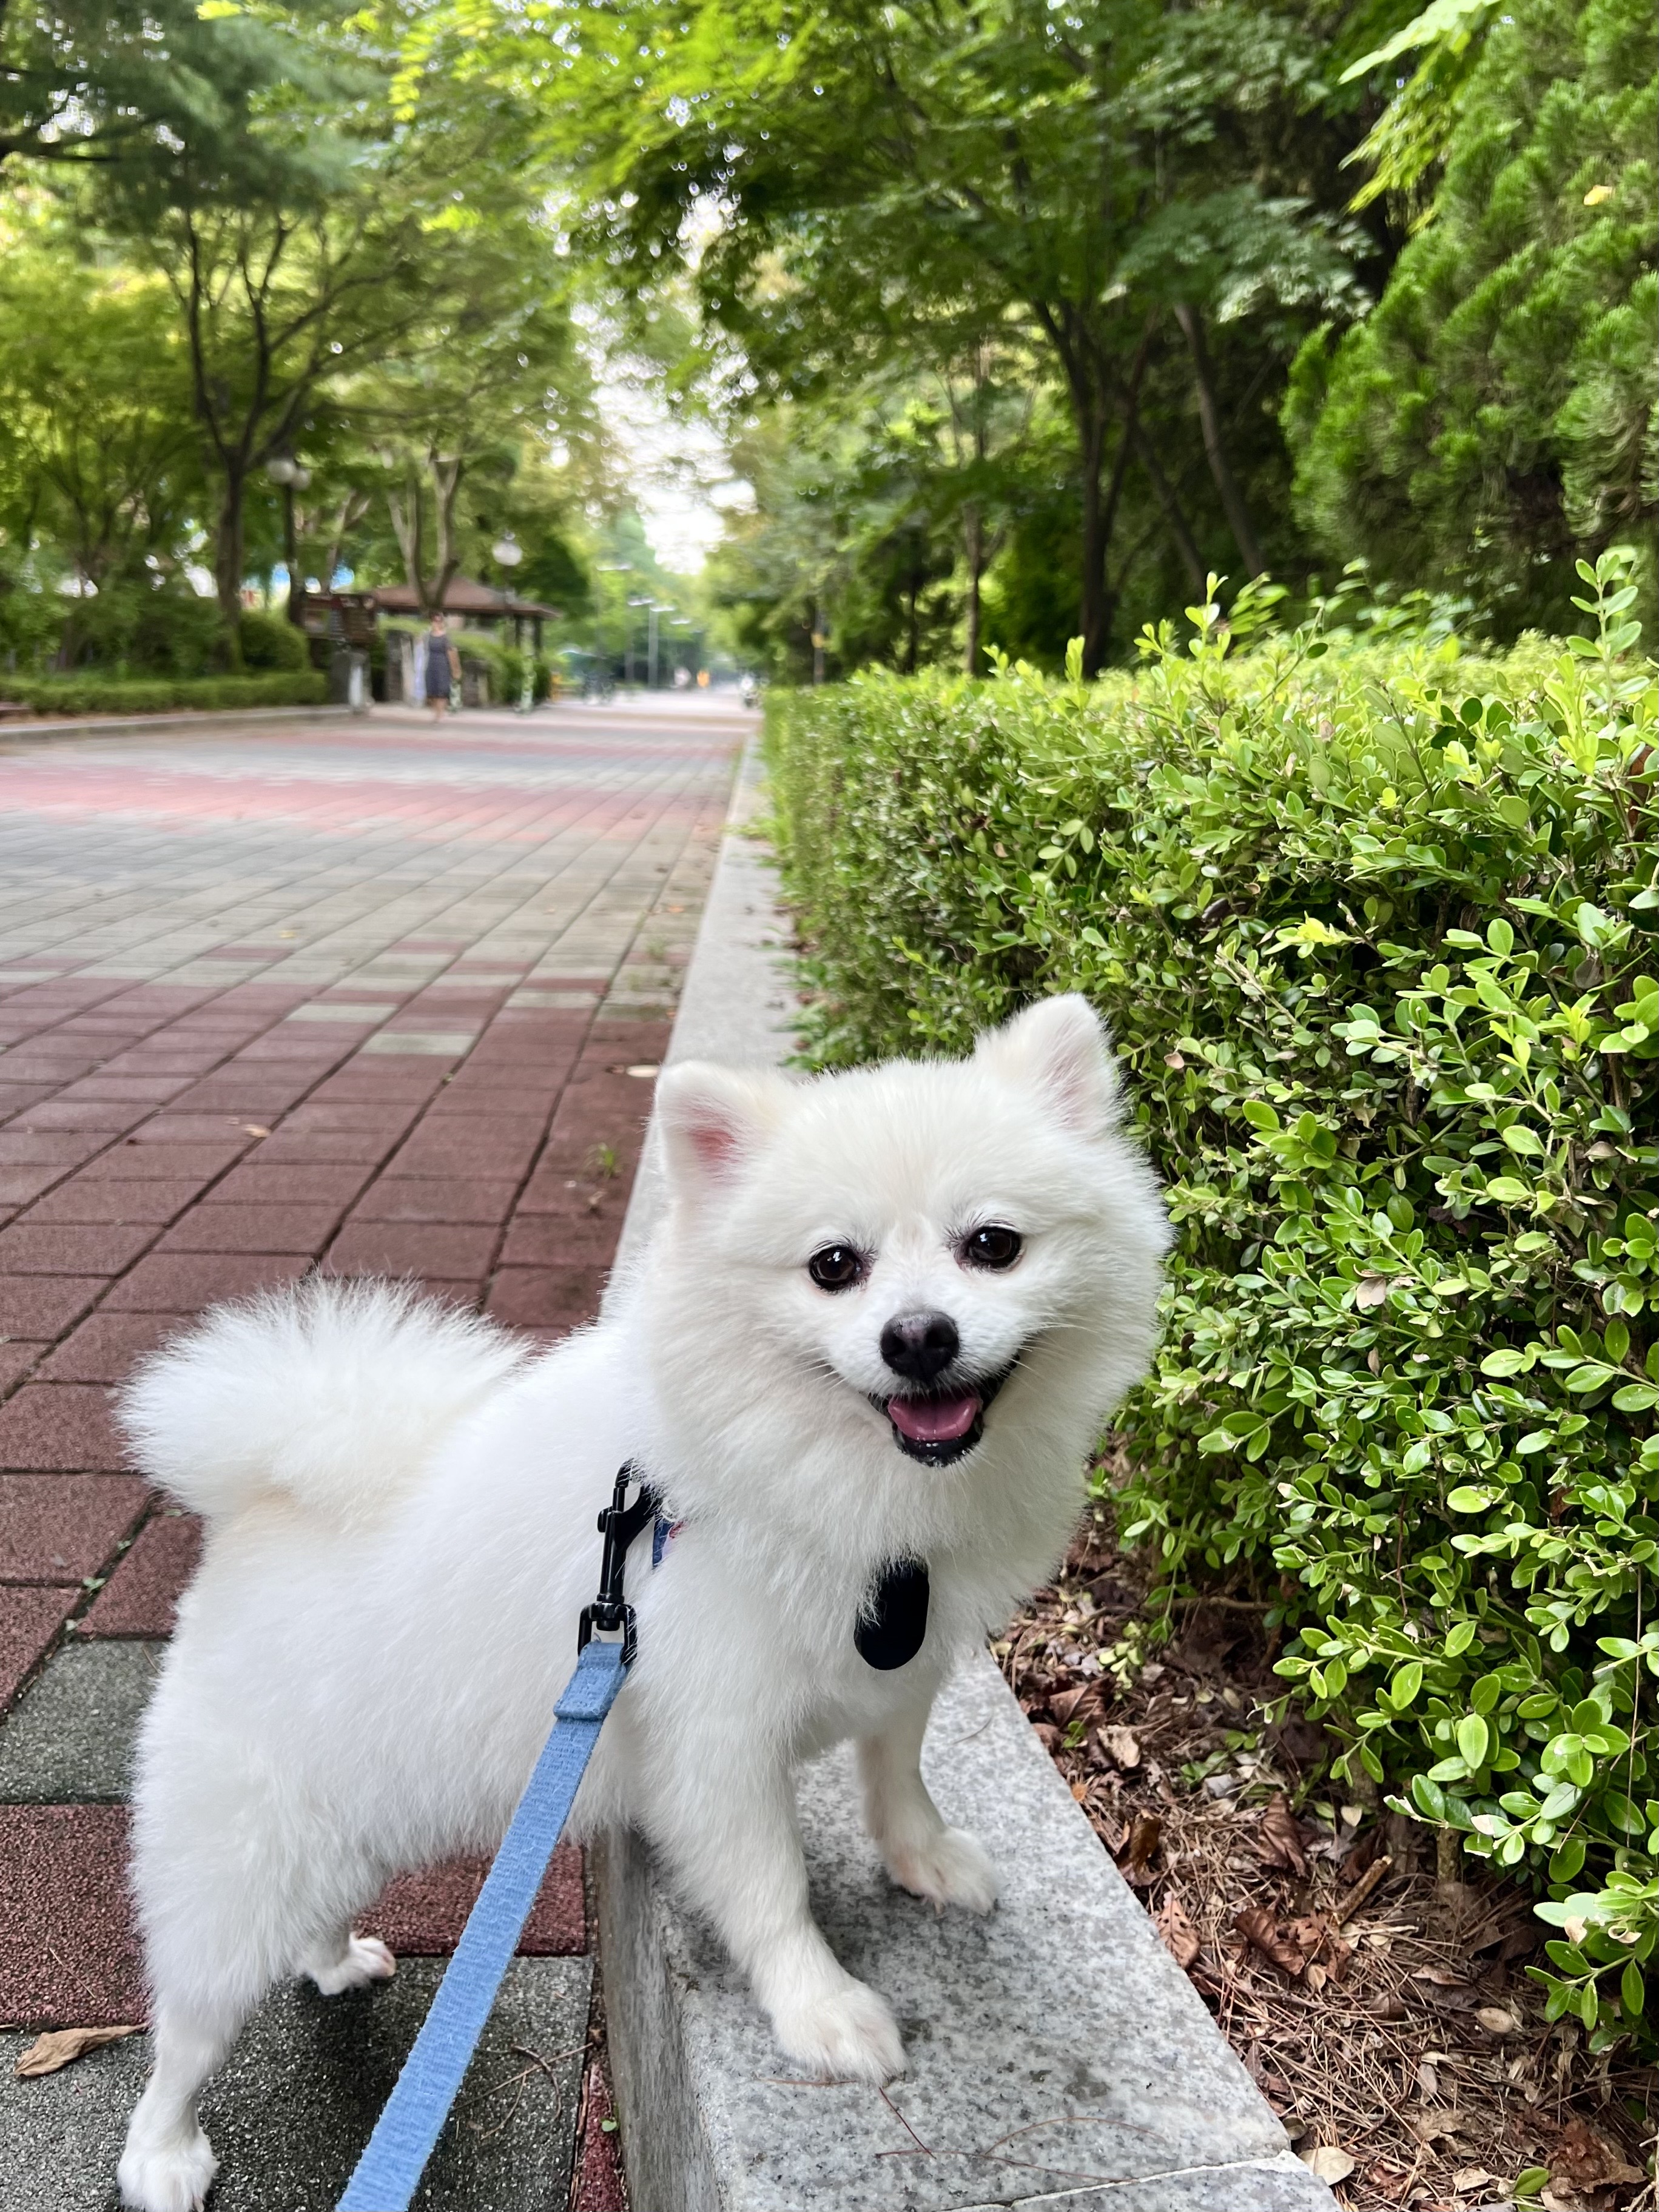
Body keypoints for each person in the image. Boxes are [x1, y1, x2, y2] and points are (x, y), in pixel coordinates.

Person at [425, 614, 459, 722]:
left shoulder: (446, 637)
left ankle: (439, 715)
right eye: (435, 621)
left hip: (443, 665)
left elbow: (451, 653)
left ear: (442, 623)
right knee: (432, 691)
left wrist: (454, 669)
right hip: (431, 664)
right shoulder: (428, 636)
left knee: (442, 691)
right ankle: (436, 712)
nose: (436, 623)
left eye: (439, 621)